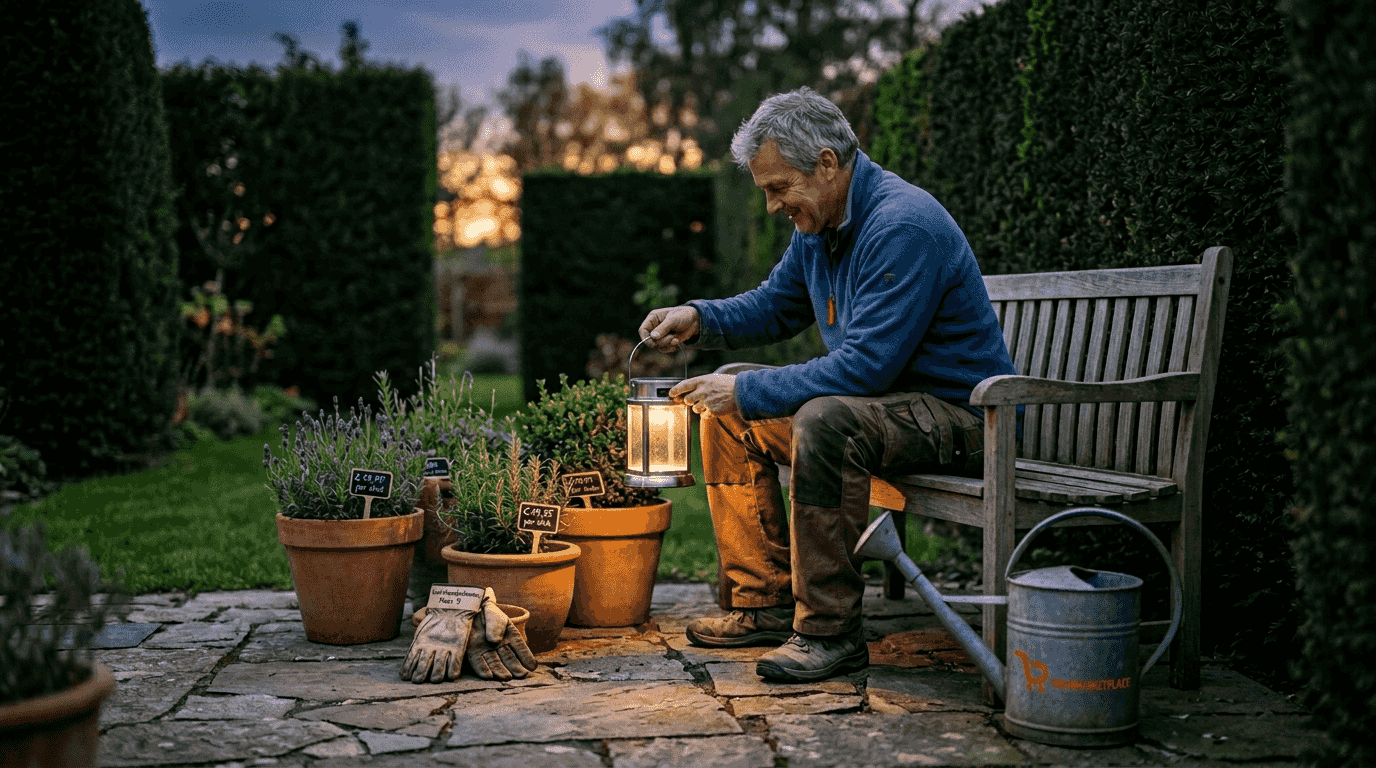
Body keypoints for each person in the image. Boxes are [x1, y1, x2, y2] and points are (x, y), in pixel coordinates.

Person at [637, 87, 1016, 683]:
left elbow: (866, 368)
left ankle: (829, 631)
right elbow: (774, 308)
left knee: (819, 418)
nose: (769, 206)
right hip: (886, 414)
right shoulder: (821, 223)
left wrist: (746, 393)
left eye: (777, 187)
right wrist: (700, 316)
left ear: (827, 164)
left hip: (964, 419)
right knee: (730, 405)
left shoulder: (901, 224)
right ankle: (763, 601)